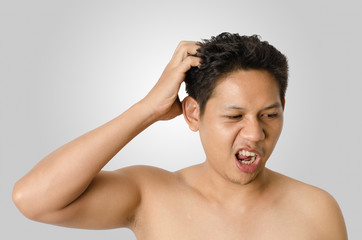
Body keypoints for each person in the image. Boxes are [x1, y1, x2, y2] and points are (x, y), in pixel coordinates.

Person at [12, 32, 347, 239]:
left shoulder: (316, 209)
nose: (255, 133)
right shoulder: (150, 196)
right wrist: (148, 109)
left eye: (270, 115)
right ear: (193, 114)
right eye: (234, 116)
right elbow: (33, 200)